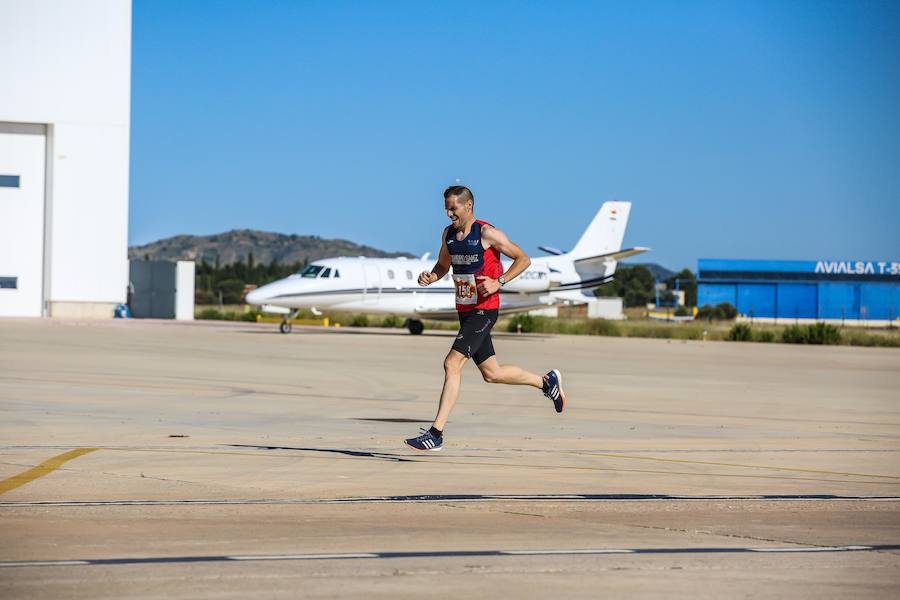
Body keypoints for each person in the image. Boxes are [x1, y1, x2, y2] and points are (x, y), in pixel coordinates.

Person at [404, 186, 566, 452]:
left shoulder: (487, 233)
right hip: (465, 309)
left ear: (468, 206)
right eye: (446, 208)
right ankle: (546, 382)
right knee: (492, 374)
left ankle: (436, 433)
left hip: (485, 310)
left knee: (451, 363)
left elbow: (523, 259)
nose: (448, 213)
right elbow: (443, 266)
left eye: (453, 208)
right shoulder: (449, 235)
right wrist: (430, 277)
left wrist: (498, 281)